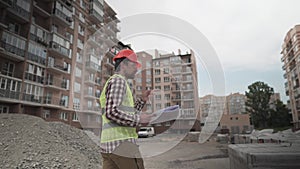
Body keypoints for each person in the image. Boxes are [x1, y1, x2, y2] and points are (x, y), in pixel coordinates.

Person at [99, 49, 153, 169]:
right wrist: (139, 120)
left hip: (109, 146)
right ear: (123, 64)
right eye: (134, 65)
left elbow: (124, 112)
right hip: (122, 144)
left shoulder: (115, 82)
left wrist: (142, 100)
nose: (136, 68)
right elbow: (112, 112)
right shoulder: (119, 81)